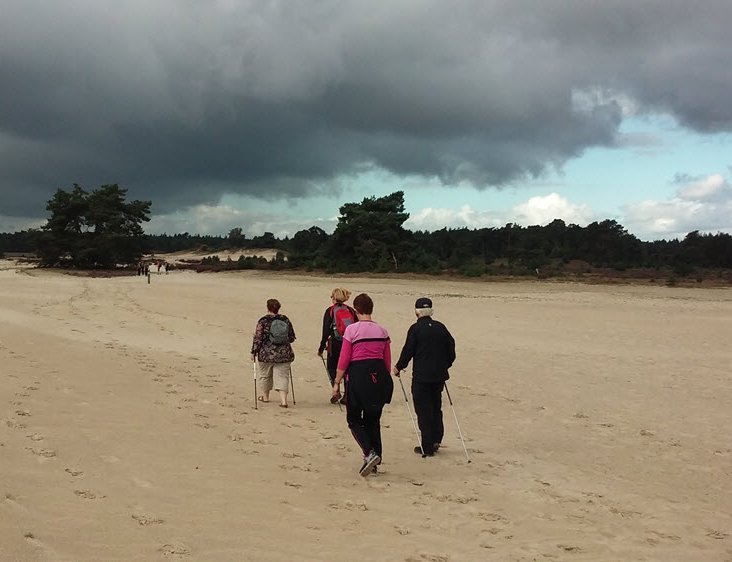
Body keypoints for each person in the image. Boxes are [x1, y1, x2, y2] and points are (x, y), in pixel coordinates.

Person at [332, 293, 394, 477]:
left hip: (358, 377)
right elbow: (387, 361)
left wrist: (336, 382)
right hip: (379, 377)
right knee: (373, 420)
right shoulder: (383, 331)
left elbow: (344, 359)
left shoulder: (352, 330)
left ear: (356, 310)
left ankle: (369, 452)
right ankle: (376, 459)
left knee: (353, 419)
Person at [392, 297, 455, 457]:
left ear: (416, 312)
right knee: (436, 407)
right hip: (439, 376)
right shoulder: (441, 328)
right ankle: (436, 439)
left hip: (422, 377)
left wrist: (399, 367)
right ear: (431, 311)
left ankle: (427, 445)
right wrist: (445, 365)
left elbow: (408, 351)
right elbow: (451, 351)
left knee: (423, 410)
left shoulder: (415, 329)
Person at [250, 298, 296, 408]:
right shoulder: (285, 320)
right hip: (284, 353)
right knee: (283, 376)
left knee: (265, 375)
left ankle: (265, 397)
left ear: (268, 308)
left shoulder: (263, 321)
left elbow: (258, 338)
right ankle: (284, 401)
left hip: (266, 354)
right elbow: (291, 337)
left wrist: (253, 352)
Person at [317, 288, 357, 404]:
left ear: (334, 298)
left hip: (335, 343)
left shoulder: (330, 311)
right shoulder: (351, 311)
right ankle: (347, 395)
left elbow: (325, 331)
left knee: (332, 367)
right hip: (349, 343)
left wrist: (321, 347)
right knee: (347, 368)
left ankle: (336, 390)